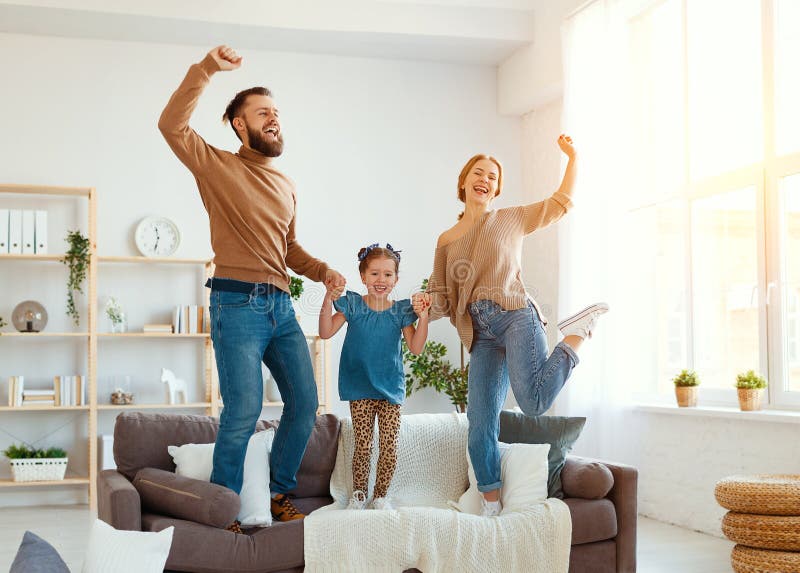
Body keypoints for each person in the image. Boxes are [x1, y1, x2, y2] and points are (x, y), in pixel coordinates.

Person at [159, 45, 346, 524]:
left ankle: (278, 491)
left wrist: (323, 270)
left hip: (281, 306)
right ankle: (224, 508)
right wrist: (206, 70)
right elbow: (171, 126)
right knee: (242, 409)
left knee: (304, 403)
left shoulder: (286, 184)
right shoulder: (216, 166)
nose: (274, 119)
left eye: (277, 112)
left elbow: (289, 250)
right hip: (236, 303)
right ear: (240, 125)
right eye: (263, 112)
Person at [417, 135, 608, 517]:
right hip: (480, 334)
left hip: (516, 314)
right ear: (464, 182)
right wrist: (421, 306)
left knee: (534, 402)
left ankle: (576, 333)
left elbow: (560, 203)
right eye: (478, 172)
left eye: (492, 176)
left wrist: (573, 158)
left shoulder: (510, 219)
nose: (485, 179)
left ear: (496, 188)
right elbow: (440, 294)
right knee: (479, 425)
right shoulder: (446, 240)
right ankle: (492, 507)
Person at [319, 244, 429, 510]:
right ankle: (359, 494)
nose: (381, 280)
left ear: (396, 279)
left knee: (389, 447)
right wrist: (327, 298)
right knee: (364, 445)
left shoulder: (401, 311)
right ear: (363, 277)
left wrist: (423, 317)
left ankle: (380, 496)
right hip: (360, 387)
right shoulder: (353, 305)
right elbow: (325, 332)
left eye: (388, 275)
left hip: (390, 389)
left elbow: (415, 348)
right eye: (375, 274)